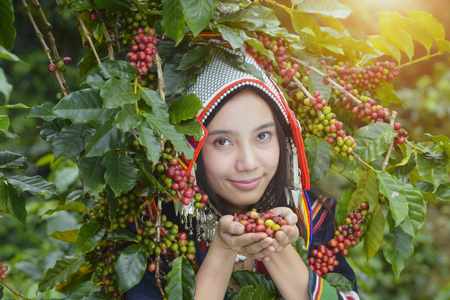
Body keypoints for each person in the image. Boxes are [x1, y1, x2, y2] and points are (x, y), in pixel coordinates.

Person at [125, 47, 359, 299]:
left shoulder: (311, 219)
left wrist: (276, 246)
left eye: (262, 136)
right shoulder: (155, 232)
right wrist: (223, 249)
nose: (248, 163)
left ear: (283, 139)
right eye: (223, 142)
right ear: (190, 152)